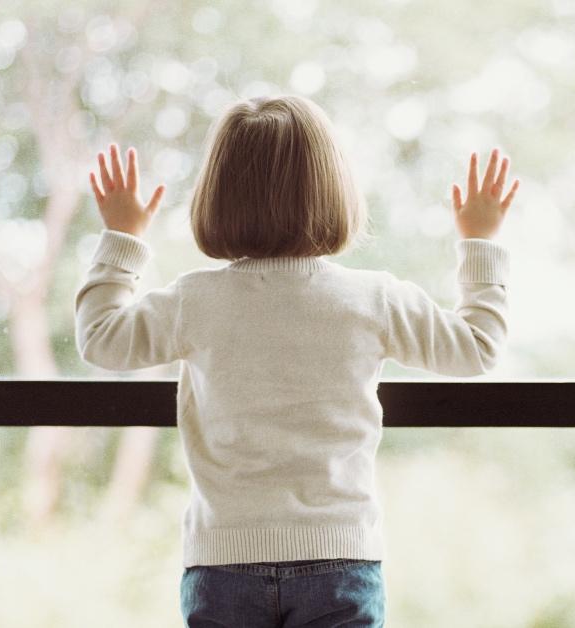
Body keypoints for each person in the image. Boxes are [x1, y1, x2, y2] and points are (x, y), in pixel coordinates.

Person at [74, 94, 519, 627]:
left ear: (218, 195)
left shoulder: (195, 301)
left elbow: (101, 337)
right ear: (333, 191)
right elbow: (477, 346)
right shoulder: (372, 298)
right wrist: (479, 241)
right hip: (340, 560)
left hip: (223, 561)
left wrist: (122, 237)